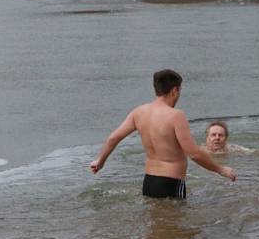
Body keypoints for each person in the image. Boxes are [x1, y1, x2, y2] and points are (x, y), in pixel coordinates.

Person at [90, 69, 236, 199]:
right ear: (174, 90)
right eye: (180, 91)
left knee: (157, 227)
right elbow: (194, 154)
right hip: (171, 182)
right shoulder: (176, 115)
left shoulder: (138, 112)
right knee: (177, 227)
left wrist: (100, 161)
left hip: (149, 182)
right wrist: (221, 169)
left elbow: (113, 137)